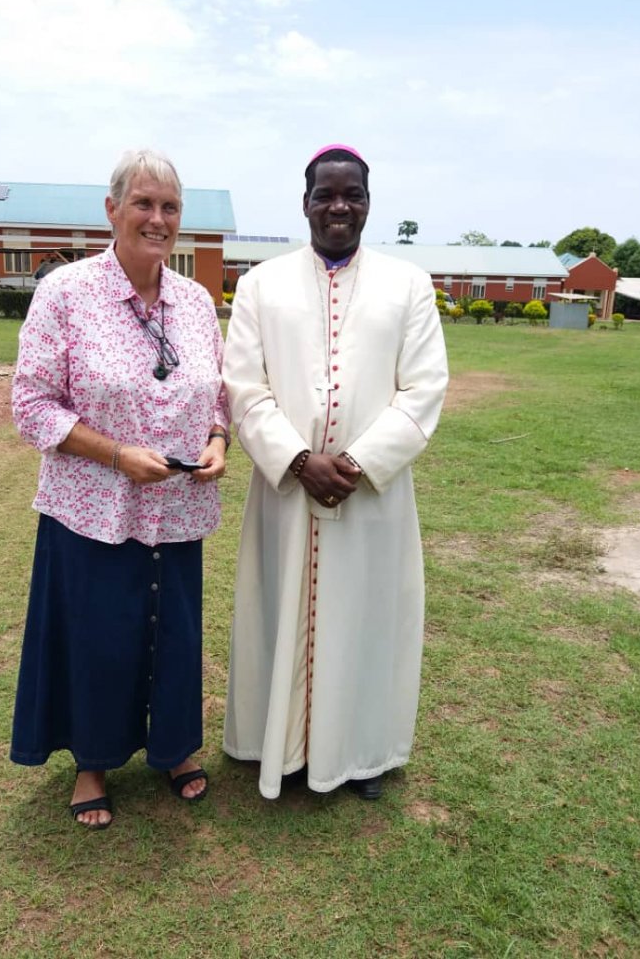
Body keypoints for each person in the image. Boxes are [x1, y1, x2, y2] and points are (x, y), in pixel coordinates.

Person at [11, 148, 230, 829]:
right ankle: (93, 761)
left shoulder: (195, 301)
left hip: (178, 505)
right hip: (93, 504)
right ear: (112, 210)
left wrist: (219, 442)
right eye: (144, 203)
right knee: (99, 632)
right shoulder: (66, 292)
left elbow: (217, 395)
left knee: (173, 631)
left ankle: (173, 748)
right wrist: (115, 454)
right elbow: (31, 403)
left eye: (169, 207)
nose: (157, 218)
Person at [222, 144, 448, 801]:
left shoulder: (409, 284)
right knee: (277, 610)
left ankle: (360, 752)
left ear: (369, 203)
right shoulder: (262, 284)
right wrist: (297, 459)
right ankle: (278, 746)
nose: (339, 206)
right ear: (305, 203)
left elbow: (425, 389)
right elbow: (245, 386)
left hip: (368, 498)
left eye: (352, 195)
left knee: (367, 620)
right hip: (286, 494)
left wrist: (354, 462)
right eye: (326, 194)